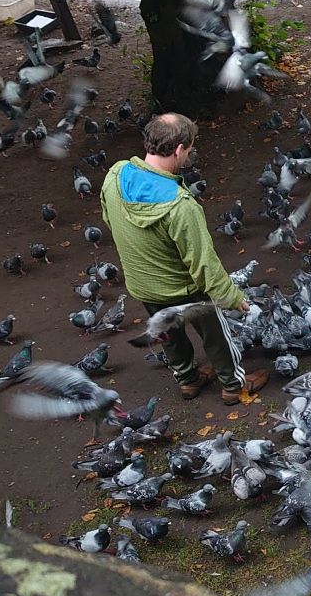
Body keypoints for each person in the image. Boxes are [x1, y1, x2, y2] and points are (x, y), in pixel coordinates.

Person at [100, 113, 268, 405]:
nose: (188, 155)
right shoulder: (181, 204)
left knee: (167, 333)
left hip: (142, 283)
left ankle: (187, 380)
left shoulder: (115, 175)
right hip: (185, 290)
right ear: (178, 150)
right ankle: (233, 386)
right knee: (216, 334)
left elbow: (109, 220)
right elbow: (203, 263)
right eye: (188, 150)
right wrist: (231, 297)